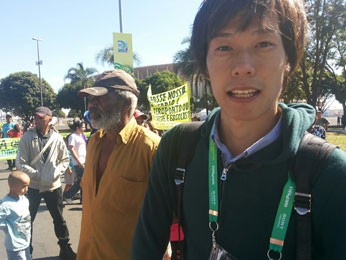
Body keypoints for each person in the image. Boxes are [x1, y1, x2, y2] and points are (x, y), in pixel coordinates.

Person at [131, 0, 346, 259]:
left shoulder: (330, 173)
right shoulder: (177, 148)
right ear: (205, 64)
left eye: (263, 44)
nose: (243, 66)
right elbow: (145, 248)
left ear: (288, 58)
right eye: (224, 47)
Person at [76, 69, 161, 260]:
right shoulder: (94, 143)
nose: (91, 105)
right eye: (91, 100)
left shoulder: (151, 147)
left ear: (125, 103)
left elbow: (167, 215)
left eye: (99, 99)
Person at [16, 106, 76, 259]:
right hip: (33, 186)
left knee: (59, 219)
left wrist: (55, 173)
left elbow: (65, 160)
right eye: (36, 117)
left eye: (41, 118)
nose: (37, 120)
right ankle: (26, 251)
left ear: (50, 119)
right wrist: (37, 174)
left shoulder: (56, 138)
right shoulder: (27, 138)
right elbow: (20, 163)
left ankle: (65, 247)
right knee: (27, 220)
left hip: (53, 185)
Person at [0, 171, 31, 260]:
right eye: (24, 186)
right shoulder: (5, 205)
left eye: (27, 186)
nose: (27, 189)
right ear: (12, 186)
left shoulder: (24, 199)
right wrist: (8, 226)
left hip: (25, 240)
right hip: (15, 245)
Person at [63, 120, 87, 204]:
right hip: (78, 162)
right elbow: (71, 148)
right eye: (83, 127)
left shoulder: (81, 136)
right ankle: (68, 195)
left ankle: (83, 198)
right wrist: (78, 160)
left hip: (84, 160)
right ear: (77, 128)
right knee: (81, 180)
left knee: (82, 180)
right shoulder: (73, 136)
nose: (85, 128)